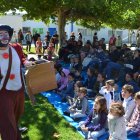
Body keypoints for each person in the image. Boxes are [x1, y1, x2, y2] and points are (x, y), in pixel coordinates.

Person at [0, 25, 25, 140]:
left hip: (19, 90)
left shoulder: (16, 47)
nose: (4, 37)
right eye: (0, 34)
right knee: (7, 124)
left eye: (6, 34)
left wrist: (26, 62)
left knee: (15, 120)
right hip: (3, 92)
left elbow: (22, 59)